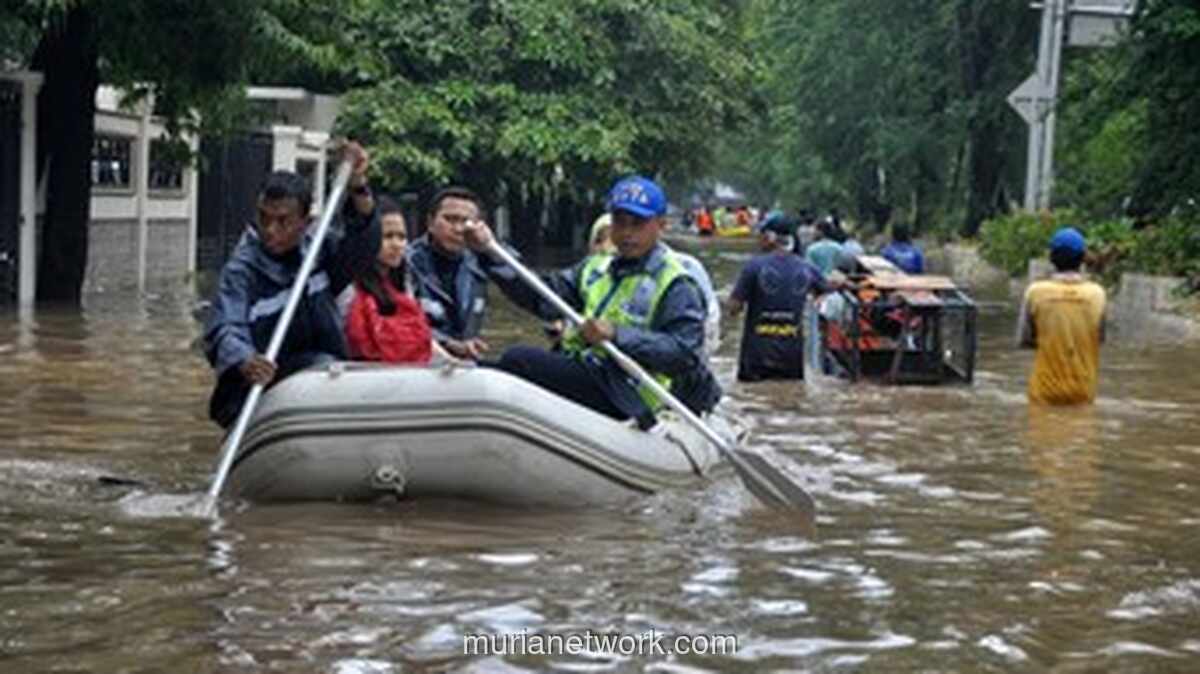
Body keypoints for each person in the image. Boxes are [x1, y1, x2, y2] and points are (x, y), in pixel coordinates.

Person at [466, 176, 720, 427]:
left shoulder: (676, 282)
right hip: (589, 371)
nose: (627, 233)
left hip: (629, 391)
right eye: (620, 222)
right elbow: (542, 297)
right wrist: (491, 255)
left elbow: (683, 353)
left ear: (661, 225)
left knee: (519, 358)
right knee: (490, 367)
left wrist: (617, 334)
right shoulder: (594, 268)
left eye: (638, 223)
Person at [203, 142, 379, 428]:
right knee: (318, 363)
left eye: (283, 221)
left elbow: (362, 249)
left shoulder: (319, 251)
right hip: (259, 386)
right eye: (264, 219)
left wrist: (358, 185)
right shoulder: (242, 270)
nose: (271, 230)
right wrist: (246, 360)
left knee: (325, 364)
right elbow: (225, 328)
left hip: (319, 373)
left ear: (305, 222)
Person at [407, 186, 521, 360]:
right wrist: (447, 343)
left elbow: (523, 282)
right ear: (430, 223)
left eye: (466, 222)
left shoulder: (481, 260)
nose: (458, 229)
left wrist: (489, 247)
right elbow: (398, 323)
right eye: (450, 220)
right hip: (420, 362)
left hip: (466, 363)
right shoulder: (405, 263)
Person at [728, 213, 830, 381]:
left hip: (757, 357)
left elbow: (734, 308)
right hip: (791, 357)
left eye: (761, 236)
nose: (759, 241)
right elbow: (826, 291)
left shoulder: (753, 266)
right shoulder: (806, 268)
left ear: (771, 237)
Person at [343, 196, 440, 364]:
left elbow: (425, 340)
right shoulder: (347, 288)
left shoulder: (404, 285)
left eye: (401, 237)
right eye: (387, 236)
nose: (397, 245)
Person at [1016, 227, 1107, 406]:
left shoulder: (1036, 292)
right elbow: (1100, 339)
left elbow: (1024, 340)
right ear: (1082, 258)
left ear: (1051, 258)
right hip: (1083, 391)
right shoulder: (1097, 295)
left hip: (1044, 391)